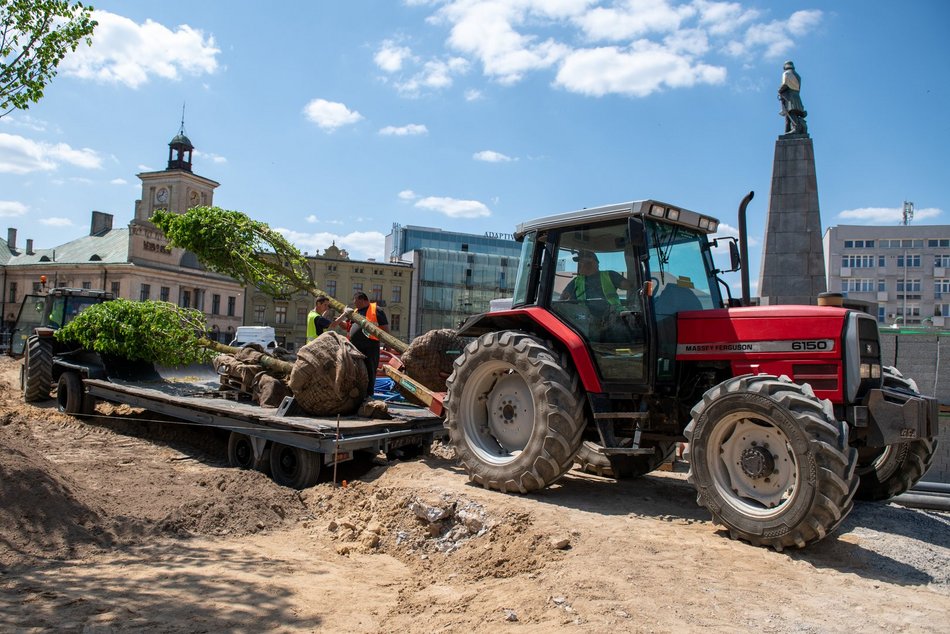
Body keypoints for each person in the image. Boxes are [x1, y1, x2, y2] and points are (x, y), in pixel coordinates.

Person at [345, 292, 389, 397]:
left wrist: (387, 343)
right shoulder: (355, 312)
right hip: (355, 347)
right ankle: (356, 395)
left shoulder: (376, 310)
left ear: (362, 300)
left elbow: (385, 328)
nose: (354, 302)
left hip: (370, 346)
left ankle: (368, 396)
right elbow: (347, 327)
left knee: (370, 370)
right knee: (354, 370)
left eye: (355, 300)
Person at [560, 250, 631, 311]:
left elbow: (629, 286)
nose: (579, 265)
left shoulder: (610, 275)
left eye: (582, 262)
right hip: (583, 320)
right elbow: (562, 299)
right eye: (579, 263)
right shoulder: (576, 281)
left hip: (610, 317)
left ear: (593, 263)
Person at [778, 60, 807, 135]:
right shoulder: (798, 76)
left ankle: (795, 128)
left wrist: (779, 90)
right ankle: (787, 130)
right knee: (791, 113)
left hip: (789, 96)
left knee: (791, 112)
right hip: (796, 95)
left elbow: (785, 84)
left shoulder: (786, 73)